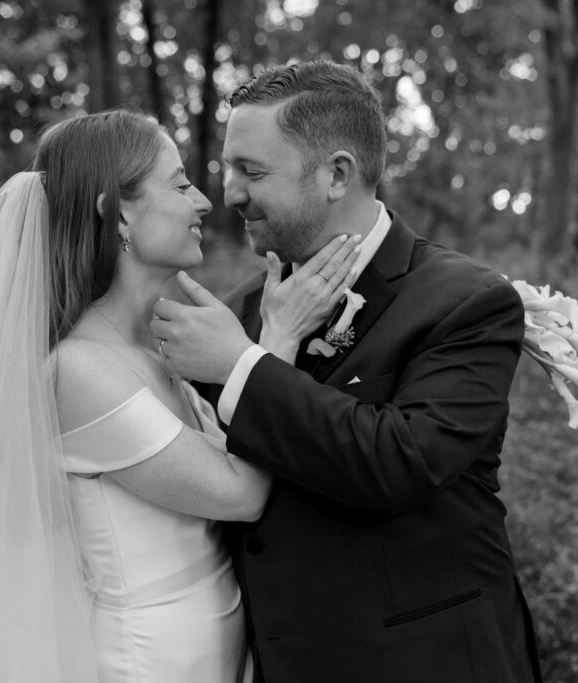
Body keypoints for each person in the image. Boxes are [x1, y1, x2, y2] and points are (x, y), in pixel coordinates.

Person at [151, 61, 542, 682]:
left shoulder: (467, 302)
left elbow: (400, 463)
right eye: (229, 168)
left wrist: (242, 368)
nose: (228, 193)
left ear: (337, 174)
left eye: (251, 171)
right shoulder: (236, 314)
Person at [0, 109, 359, 683]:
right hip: (154, 658)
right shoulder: (79, 371)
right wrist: (279, 339)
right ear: (118, 211)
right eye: (178, 183)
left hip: (220, 641)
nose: (203, 202)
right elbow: (240, 494)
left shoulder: (161, 347)